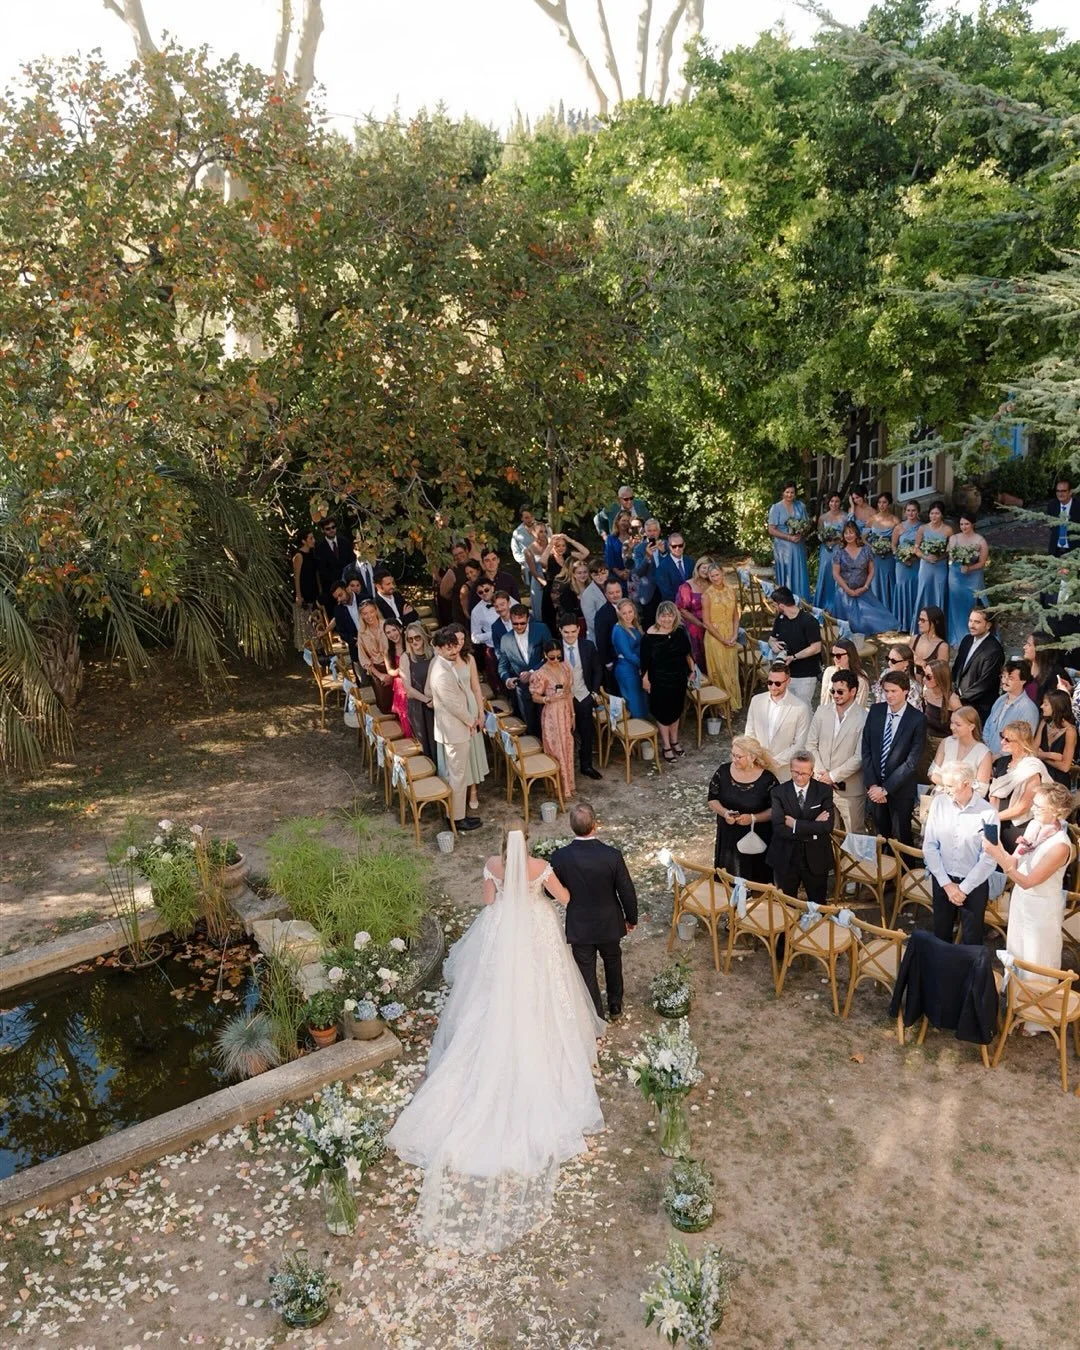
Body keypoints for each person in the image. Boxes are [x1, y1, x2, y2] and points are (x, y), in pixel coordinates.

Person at [386, 820, 605, 1253]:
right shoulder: (541, 866)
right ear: (528, 844)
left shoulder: (492, 865)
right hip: (536, 934)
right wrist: (540, 896)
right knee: (545, 991)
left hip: (503, 933)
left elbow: (488, 905)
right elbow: (564, 897)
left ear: (502, 846)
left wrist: (506, 896)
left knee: (488, 996)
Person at [985, 785, 1075, 1014]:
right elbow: (1015, 862)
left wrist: (999, 858)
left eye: (1039, 806)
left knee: (1037, 957)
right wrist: (997, 850)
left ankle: (1037, 1014)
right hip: (1022, 900)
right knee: (1018, 950)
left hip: (1042, 907)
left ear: (1057, 812)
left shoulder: (1061, 846)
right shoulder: (1035, 826)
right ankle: (1017, 1000)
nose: (1032, 809)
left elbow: (1027, 880)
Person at [551, 801, 638, 1020]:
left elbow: (553, 892)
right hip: (608, 922)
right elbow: (626, 890)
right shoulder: (611, 855)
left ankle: (595, 1015)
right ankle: (615, 1004)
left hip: (580, 925)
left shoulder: (560, 857)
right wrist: (631, 918)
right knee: (612, 961)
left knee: (586, 972)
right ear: (595, 825)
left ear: (572, 827)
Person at [923, 763, 998, 944]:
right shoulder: (939, 803)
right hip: (943, 879)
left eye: (949, 786)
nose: (943, 790)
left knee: (972, 938)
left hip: (974, 884)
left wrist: (963, 889)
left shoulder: (988, 813)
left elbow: (989, 857)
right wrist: (947, 884)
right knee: (940, 934)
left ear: (966, 784)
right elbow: (930, 846)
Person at [861, 670, 926, 847]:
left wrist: (886, 789)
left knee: (902, 837)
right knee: (881, 836)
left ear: (905, 691)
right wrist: (873, 785)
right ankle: (884, 872)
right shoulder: (876, 711)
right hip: (875, 787)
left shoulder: (917, 719)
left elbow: (911, 762)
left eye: (893, 691)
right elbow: (866, 748)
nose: (889, 695)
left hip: (900, 790)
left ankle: (905, 873)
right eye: (886, 691)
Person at [429, 626, 482, 832]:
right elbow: (455, 706)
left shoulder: (445, 663)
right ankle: (457, 819)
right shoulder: (441, 673)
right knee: (457, 776)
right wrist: (471, 721)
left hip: (454, 728)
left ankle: (456, 814)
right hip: (454, 730)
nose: (453, 651)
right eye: (448, 648)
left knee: (457, 774)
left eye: (454, 647)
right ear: (439, 649)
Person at [707, 737, 779, 883]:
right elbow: (712, 799)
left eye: (739, 756)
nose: (734, 759)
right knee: (729, 878)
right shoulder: (723, 772)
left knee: (755, 880)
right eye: (732, 755)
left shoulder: (767, 780)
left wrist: (753, 818)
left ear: (752, 757)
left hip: (756, 835)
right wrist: (724, 813)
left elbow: (775, 809)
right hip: (728, 833)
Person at [767, 751, 835, 904]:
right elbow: (778, 828)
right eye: (795, 772)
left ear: (812, 772)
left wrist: (796, 824)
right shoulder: (778, 792)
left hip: (816, 857)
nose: (799, 776)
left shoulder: (824, 791)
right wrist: (813, 827)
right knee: (787, 905)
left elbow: (827, 826)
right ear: (790, 769)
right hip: (786, 856)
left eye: (804, 773)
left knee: (817, 904)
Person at [807, 668, 868, 833]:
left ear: (853, 691)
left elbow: (859, 757)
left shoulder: (864, 718)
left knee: (855, 834)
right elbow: (811, 744)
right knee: (827, 835)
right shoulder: (821, 712)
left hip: (850, 790)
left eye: (840, 691)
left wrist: (833, 776)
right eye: (832, 691)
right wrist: (821, 773)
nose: (835, 695)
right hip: (821, 784)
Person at [641, 602, 695, 761]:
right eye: (663, 615)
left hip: (678, 678)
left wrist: (692, 670)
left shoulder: (680, 630)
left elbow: (688, 653)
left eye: (670, 615)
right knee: (663, 714)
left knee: (676, 711)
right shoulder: (649, 636)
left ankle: (675, 741)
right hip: (659, 680)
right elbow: (644, 662)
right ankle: (666, 746)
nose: (667, 619)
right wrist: (645, 680)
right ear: (658, 616)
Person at [988, 721, 1052, 851]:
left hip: (1018, 825)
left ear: (1021, 743)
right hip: (995, 820)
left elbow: (1023, 807)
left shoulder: (1032, 768)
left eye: (1008, 739)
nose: (1002, 742)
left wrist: (994, 818)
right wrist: (991, 820)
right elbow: (993, 793)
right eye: (1002, 736)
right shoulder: (1001, 762)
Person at [743, 663, 811, 783]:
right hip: (757, 767)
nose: (773, 686)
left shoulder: (800, 708)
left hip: (784, 773)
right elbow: (749, 733)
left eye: (778, 683)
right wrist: (757, 757)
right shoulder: (756, 701)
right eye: (770, 682)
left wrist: (773, 762)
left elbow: (799, 744)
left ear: (788, 681)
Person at [831, 521, 897, 635]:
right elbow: (836, 574)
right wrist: (848, 590)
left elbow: (871, 570)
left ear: (856, 533)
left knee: (874, 621)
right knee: (847, 626)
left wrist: (865, 587)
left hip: (863, 591)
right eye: (846, 533)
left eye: (851, 532)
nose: (848, 536)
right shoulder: (839, 551)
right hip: (845, 592)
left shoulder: (866, 549)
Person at [530, 638, 577, 799]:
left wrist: (573, 714)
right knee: (555, 749)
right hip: (551, 714)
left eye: (559, 656)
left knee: (568, 746)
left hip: (564, 711)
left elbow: (569, 692)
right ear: (545, 655)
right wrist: (547, 699)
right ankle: (558, 787)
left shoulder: (565, 667)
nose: (556, 660)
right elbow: (535, 696)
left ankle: (569, 785)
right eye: (552, 657)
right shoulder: (541, 673)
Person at [557, 617, 603, 781]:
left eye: (573, 632)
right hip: (562, 699)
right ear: (560, 631)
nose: (570, 636)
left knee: (586, 732)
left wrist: (594, 693)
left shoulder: (588, 646)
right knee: (564, 733)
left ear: (578, 630)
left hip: (583, 695)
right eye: (566, 632)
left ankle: (586, 766)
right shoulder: (555, 648)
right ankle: (565, 768)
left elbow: (597, 670)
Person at [497, 604, 551, 736]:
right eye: (515, 624)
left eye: (522, 623)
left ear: (528, 618)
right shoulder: (505, 640)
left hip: (544, 686)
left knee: (547, 722)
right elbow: (502, 666)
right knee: (530, 724)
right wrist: (507, 679)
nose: (519, 627)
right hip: (522, 688)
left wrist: (532, 672)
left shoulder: (541, 629)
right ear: (510, 620)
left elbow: (551, 656)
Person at [767, 585, 822, 706]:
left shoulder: (809, 621)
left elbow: (816, 647)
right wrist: (773, 644)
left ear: (781, 605)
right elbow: (771, 639)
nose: (774, 608)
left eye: (774, 605)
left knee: (802, 708)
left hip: (805, 674)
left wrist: (794, 657)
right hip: (785, 675)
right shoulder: (780, 619)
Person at [951, 606, 1005, 726]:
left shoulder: (994, 650)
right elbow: (957, 668)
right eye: (970, 621)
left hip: (979, 707)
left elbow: (985, 683)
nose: (971, 625)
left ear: (988, 625)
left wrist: (961, 699)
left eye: (977, 622)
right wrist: (953, 692)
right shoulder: (967, 640)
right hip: (958, 700)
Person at [701, 564, 742, 711]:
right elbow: (706, 622)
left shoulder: (731, 591)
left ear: (722, 574)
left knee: (731, 668)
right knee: (719, 670)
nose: (715, 578)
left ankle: (733, 703)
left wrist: (735, 634)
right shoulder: (707, 595)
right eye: (712, 576)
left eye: (717, 575)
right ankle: (721, 707)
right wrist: (722, 639)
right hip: (715, 637)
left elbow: (736, 615)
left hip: (730, 634)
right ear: (709, 578)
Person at [945, 511, 988, 648]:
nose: (963, 527)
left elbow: (982, 562)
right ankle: (958, 635)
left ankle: (976, 632)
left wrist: (969, 567)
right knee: (956, 605)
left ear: (973, 524)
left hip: (973, 575)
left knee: (972, 603)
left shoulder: (980, 540)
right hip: (956, 575)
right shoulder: (954, 538)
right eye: (961, 524)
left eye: (966, 524)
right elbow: (951, 558)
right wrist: (957, 563)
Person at [983, 659, 1040, 757]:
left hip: (1008, 760)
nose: (1005, 681)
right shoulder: (1000, 700)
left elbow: (1023, 742)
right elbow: (988, 727)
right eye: (1003, 676)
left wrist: (997, 756)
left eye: (1011, 678)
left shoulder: (1028, 709)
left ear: (1023, 681)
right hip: (988, 755)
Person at [929, 706, 993, 793]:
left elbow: (981, 790)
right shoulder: (946, 742)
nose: (952, 727)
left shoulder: (984, 753)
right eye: (951, 723)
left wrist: (956, 790)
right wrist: (949, 786)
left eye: (958, 725)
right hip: (940, 796)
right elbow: (932, 772)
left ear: (971, 727)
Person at [910, 501, 952, 628]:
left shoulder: (948, 530)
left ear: (942, 515)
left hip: (940, 566)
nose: (934, 516)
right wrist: (926, 557)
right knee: (924, 591)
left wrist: (939, 557)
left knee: (939, 591)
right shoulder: (923, 528)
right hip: (925, 566)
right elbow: (916, 549)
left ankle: (939, 626)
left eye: (937, 513)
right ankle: (920, 624)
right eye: (932, 513)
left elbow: (950, 551)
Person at [767, 480, 810, 599]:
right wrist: (789, 537)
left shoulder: (800, 506)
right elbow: (771, 530)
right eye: (787, 492)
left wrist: (801, 533)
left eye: (792, 492)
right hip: (782, 548)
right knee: (786, 574)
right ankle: (786, 600)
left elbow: (806, 524)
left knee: (799, 572)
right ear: (783, 493)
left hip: (797, 545)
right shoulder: (776, 508)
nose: (789, 495)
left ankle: (801, 600)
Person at [400, 625, 436, 761]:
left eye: (417, 637)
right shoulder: (406, 657)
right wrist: (427, 700)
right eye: (410, 639)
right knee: (425, 743)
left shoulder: (433, 654)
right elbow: (407, 688)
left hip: (436, 704)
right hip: (419, 705)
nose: (414, 642)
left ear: (424, 637)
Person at [542, 533, 589, 633]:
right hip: (552, 593)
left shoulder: (568, 556)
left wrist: (570, 540)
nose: (561, 548)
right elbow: (542, 561)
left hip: (568, 591)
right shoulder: (549, 559)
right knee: (551, 621)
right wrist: (550, 544)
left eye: (563, 545)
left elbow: (586, 553)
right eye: (558, 546)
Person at [675, 556, 713, 674]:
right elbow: (683, 610)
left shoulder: (712, 584)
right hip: (694, 624)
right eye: (704, 567)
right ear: (698, 567)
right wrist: (700, 624)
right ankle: (700, 677)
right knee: (698, 651)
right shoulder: (687, 586)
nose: (706, 571)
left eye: (709, 568)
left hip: (711, 623)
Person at [611, 599, 648, 719]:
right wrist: (645, 665)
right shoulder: (618, 630)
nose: (628, 616)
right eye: (624, 613)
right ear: (619, 614)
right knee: (634, 702)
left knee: (642, 699)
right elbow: (628, 654)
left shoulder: (635, 625)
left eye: (630, 612)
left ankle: (644, 730)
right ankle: (637, 732)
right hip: (627, 670)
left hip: (638, 668)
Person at [356, 599, 394, 712]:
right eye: (365, 613)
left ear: (376, 611)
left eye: (371, 612)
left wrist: (392, 674)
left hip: (393, 667)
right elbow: (364, 659)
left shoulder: (387, 625)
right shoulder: (362, 633)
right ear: (361, 616)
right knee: (385, 707)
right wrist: (380, 675)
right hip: (377, 670)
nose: (369, 616)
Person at [867, 492, 900, 617]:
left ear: (889, 504)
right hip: (875, 557)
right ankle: (877, 612)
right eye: (880, 502)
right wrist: (873, 547)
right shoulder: (872, 519)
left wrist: (889, 548)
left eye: (884, 502)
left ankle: (890, 611)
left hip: (889, 557)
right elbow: (864, 537)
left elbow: (897, 541)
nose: (882, 505)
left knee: (889, 581)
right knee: (875, 581)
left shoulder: (895, 520)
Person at [892, 501, 922, 632]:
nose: (911, 513)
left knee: (915, 590)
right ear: (905, 512)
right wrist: (901, 557)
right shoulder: (899, 527)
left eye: (913, 510)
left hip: (916, 563)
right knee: (902, 589)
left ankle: (914, 623)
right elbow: (893, 545)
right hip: (901, 564)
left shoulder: (922, 527)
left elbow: (923, 546)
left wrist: (914, 557)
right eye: (908, 510)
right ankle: (901, 623)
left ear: (918, 512)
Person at [1036, 689, 1077, 785]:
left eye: (1046, 704)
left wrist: (1042, 755)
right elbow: (1033, 752)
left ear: (1056, 707)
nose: (1042, 706)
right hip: (1039, 775)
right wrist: (1051, 755)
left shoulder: (1070, 731)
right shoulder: (1044, 722)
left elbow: (1065, 767)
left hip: (1058, 782)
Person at [631, 518, 666, 629]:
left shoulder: (666, 545)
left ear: (659, 532)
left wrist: (663, 553)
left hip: (664, 590)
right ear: (645, 532)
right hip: (648, 592)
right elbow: (638, 572)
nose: (652, 533)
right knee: (650, 624)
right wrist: (647, 557)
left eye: (654, 530)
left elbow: (670, 567)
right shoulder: (639, 549)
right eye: (649, 531)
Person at [814, 492, 847, 610]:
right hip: (826, 549)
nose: (834, 504)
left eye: (837, 501)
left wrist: (839, 539)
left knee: (838, 574)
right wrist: (825, 539)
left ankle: (837, 606)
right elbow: (819, 533)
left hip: (839, 548)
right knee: (825, 572)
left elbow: (848, 533)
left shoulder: (845, 517)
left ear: (840, 502)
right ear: (828, 503)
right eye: (832, 501)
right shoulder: (822, 518)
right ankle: (823, 604)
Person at [1022, 631, 1071, 707]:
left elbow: (1056, 705)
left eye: (1029, 645)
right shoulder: (1023, 668)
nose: (1024, 647)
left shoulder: (1055, 674)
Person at [594, 577, 625, 696]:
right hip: (614, 661)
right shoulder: (602, 614)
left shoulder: (628, 607)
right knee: (618, 693)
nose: (615, 595)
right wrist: (608, 662)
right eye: (611, 593)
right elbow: (601, 641)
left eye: (618, 592)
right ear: (605, 594)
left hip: (630, 660)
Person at [819, 637, 870, 709]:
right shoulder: (829, 672)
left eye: (838, 656)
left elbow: (860, 706)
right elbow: (823, 699)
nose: (835, 659)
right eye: (833, 655)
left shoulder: (860, 679)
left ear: (850, 655)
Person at [437, 540, 479, 626]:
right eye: (455, 555)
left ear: (467, 551)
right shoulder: (452, 572)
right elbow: (444, 593)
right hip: (460, 614)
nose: (459, 556)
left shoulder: (476, 564)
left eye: (461, 553)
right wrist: (457, 598)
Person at [291, 528, 320, 651]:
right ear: (304, 541)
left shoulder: (312, 554)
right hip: (304, 592)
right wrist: (298, 595)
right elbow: (297, 577)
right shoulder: (299, 556)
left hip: (313, 591)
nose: (313, 541)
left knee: (315, 621)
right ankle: (307, 650)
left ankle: (317, 646)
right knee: (305, 622)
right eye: (310, 538)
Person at [383, 621, 413, 738]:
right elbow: (390, 671)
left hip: (414, 680)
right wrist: (400, 670)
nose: (392, 634)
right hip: (400, 683)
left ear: (400, 629)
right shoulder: (388, 651)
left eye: (394, 630)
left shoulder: (410, 644)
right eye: (388, 632)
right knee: (405, 716)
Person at [469, 577, 500, 688]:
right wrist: (492, 634)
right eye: (480, 592)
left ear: (492, 588)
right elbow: (474, 637)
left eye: (486, 590)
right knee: (497, 682)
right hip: (493, 649)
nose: (484, 594)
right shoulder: (476, 611)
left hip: (513, 644)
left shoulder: (506, 599)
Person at [313, 517, 350, 609]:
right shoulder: (319, 548)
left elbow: (351, 563)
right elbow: (322, 572)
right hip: (331, 591)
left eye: (333, 527)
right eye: (328, 529)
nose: (331, 530)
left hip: (348, 587)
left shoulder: (345, 542)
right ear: (322, 530)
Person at [871, 645, 923, 709]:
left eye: (893, 661)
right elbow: (878, 698)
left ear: (906, 663)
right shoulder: (885, 673)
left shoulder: (912, 687)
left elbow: (913, 714)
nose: (889, 663)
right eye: (888, 659)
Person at [654, 532, 695, 603]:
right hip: (673, 606)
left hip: (691, 604)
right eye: (674, 546)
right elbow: (666, 592)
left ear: (684, 545)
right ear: (669, 547)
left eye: (680, 545)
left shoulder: (690, 562)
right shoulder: (662, 566)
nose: (677, 548)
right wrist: (682, 602)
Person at [332, 577, 363, 668]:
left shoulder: (365, 599)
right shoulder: (338, 610)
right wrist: (354, 641)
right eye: (336, 598)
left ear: (348, 589)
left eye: (340, 595)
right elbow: (342, 633)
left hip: (375, 643)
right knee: (362, 679)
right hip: (356, 648)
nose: (339, 600)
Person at [580, 557, 611, 642]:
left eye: (603, 573)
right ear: (591, 575)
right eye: (596, 574)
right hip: (600, 637)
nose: (600, 577)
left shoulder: (613, 586)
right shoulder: (587, 595)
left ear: (607, 572)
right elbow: (592, 622)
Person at [912, 606, 949, 678]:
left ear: (934, 623)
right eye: (919, 619)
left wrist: (924, 664)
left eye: (923, 620)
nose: (919, 623)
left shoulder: (942, 647)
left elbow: (941, 675)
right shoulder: (914, 639)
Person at [920, 660, 953, 737]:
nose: (924, 679)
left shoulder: (952, 700)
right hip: (927, 739)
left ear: (940, 677)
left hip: (945, 742)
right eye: (923, 675)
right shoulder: (926, 692)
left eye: (929, 677)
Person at [603, 511, 634, 592]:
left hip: (633, 575)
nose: (625, 523)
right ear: (617, 521)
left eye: (628, 521)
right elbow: (609, 558)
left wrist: (628, 571)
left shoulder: (633, 538)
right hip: (616, 575)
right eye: (623, 520)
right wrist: (619, 572)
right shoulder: (611, 539)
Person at [524, 523, 549, 617]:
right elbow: (533, 571)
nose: (543, 534)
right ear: (533, 533)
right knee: (540, 610)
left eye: (545, 531)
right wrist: (544, 583)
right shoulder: (528, 550)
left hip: (552, 577)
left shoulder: (551, 545)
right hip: (539, 580)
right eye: (540, 532)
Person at [510, 506, 537, 588]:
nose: (530, 520)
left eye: (531, 516)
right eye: (526, 518)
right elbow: (516, 553)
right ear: (522, 518)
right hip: (528, 568)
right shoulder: (517, 533)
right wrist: (526, 560)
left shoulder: (543, 528)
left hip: (544, 566)